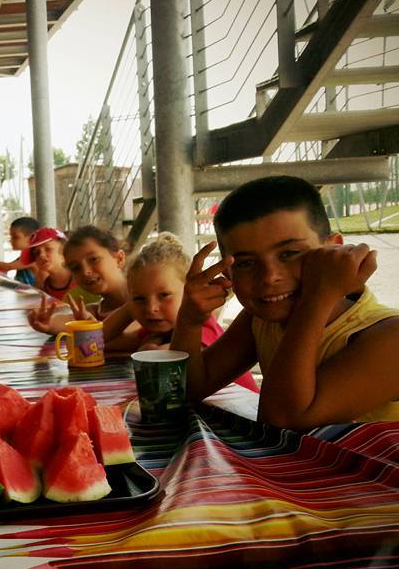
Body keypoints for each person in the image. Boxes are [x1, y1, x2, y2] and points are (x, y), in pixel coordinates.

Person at [171, 175, 399, 428]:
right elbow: (184, 390)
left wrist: (318, 296)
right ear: (228, 275)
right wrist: (190, 320)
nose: (270, 277)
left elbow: (281, 422)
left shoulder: (389, 336)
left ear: (333, 249)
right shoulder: (260, 321)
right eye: (246, 263)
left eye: (290, 254)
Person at [94, 233, 258, 391]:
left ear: (189, 292)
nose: (151, 308)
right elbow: (95, 342)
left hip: (239, 414)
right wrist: (131, 306)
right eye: (140, 299)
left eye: (164, 295)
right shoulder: (156, 330)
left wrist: (147, 346)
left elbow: (158, 359)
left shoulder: (201, 328)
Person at [27, 226, 129, 334]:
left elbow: (133, 338)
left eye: (94, 259)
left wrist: (92, 336)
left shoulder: (140, 300)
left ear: (119, 259)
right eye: (76, 268)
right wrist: (47, 322)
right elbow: (69, 321)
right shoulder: (97, 310)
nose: (85, 272)